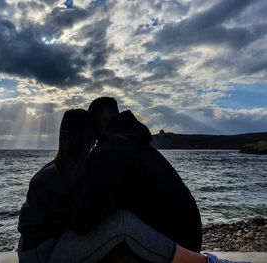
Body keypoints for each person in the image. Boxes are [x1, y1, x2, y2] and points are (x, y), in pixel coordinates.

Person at [18, 108, 249, 263]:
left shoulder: (71, 167)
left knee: (117, 223)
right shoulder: (55, 175)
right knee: (121, 223)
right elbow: (71, 223)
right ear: (89, 136)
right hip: (40, 254)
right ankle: (205, 262)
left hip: (48, 245)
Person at [71, 97, 202, 253]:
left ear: (107, 113)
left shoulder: (111, 150)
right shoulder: (138, 145)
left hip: (175, 246)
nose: (91, 130)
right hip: (190, 238)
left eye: (92, 121)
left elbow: (85, 220)